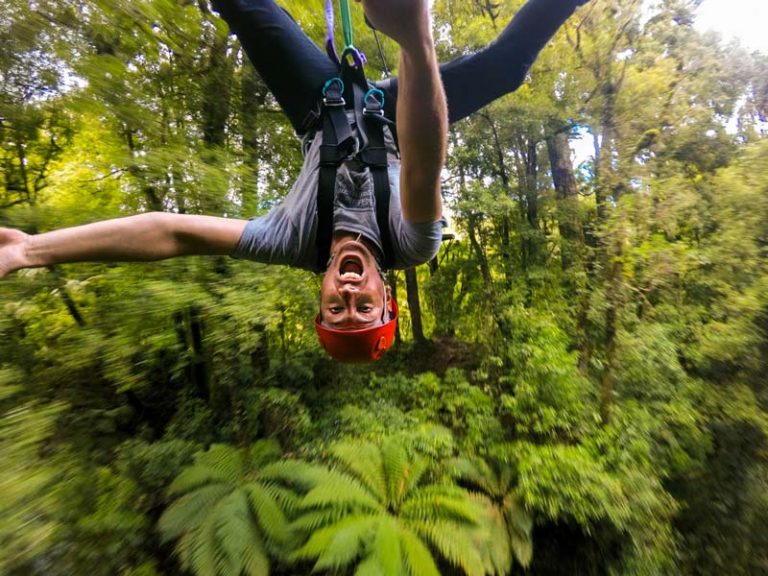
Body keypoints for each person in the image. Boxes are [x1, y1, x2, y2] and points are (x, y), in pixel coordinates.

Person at [0, 0, 589, 362]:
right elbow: (422, 156)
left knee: (242, 5)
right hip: (399, 116)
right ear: (389, 301)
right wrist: (414, 37)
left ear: (322, 301)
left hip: (322, 108)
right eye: (365, 310)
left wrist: (32, 250)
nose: (350, 298)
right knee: (509, 66)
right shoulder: (414, 244)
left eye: (338, 312)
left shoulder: (289, 241)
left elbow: (172, 234)